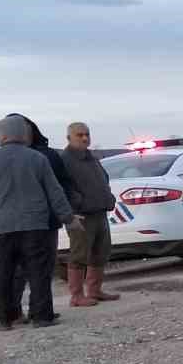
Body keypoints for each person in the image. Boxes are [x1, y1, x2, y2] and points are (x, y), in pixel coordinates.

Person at [0, 115, 73, 330]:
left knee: (1, 273)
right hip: (34, 226)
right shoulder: (37, 159)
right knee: (38, 272)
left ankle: (5, 319)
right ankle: (42, 316)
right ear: (23, 134)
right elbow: (55, 192)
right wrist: (69, 218)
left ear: (4, 135)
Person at [60, 122, 120, 307]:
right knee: (79, 254)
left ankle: (95, 290)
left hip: (99, 212)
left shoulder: (91, 158)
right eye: (79, 135)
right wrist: (76, 205)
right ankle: (76, 296)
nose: (85, 138)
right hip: (81, 215)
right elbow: (63, 187)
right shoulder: (65, 160)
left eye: (87, 134)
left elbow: (104, 179)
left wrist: (108, 197)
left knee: (101, 251)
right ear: (69, 138)